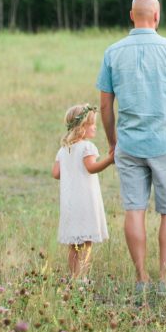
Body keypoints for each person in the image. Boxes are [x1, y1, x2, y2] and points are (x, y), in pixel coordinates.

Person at [96, 0, 166, 296]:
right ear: (157, 16)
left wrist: (113, 142)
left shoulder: (113, 52)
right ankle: (165, 278)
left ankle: (142, 279)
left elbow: (105, 106)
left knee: (134, 210)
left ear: (132, 16)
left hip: (129, 143)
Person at [52, 103, 114, 278]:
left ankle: (74, 276)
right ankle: (82, 277)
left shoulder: (64, 149)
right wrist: (110, 160)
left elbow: (56, 173)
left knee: (73, 243)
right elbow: (91, 168)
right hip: (86, 200)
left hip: (70, 201)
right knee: (86, 243)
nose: (95, 127)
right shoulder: (87, 147)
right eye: (92, 124)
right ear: (82, 127)